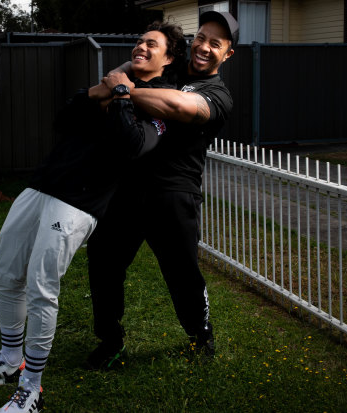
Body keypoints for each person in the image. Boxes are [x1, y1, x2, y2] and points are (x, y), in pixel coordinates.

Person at [0, 22, 187, 413]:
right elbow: (64, 120)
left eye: (152, 44)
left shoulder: (164, 100)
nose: (141, 46)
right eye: (139, 40)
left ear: (167, 58)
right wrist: (103, 90)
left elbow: (133, 144)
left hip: (79, 203)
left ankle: (32, 388)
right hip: (42, 185)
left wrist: (117, 94)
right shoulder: (112, 80)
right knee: (6, 271)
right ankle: (10, 360)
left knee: (40, 285)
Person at [86, 11, 239, 369]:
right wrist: (118, 83)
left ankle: (200, 334)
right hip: (129, 185)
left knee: (182, 272)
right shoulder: (169, 66)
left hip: (174, 193)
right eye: (201, 37)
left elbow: (176, 106)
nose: (203, 47)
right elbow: (117, 75)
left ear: (227, 54)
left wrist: (124, 90)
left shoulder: (218, 94)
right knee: (103, 261)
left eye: (215, 44)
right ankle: (110, 341)